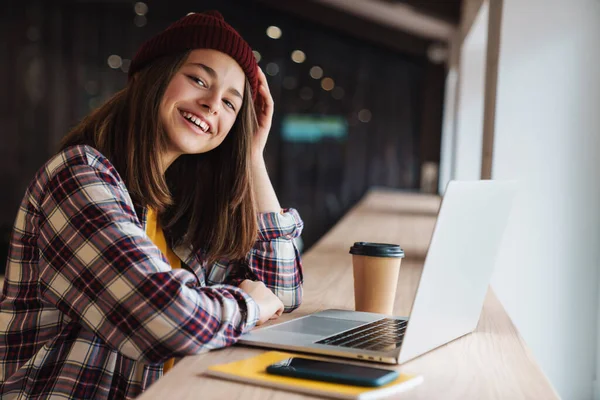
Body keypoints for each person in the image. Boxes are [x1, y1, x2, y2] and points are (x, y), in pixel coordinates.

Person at [0, 10, 303, 400]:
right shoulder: (79, 177)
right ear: (153, 75)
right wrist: (249, 306)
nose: (212, 104)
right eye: (198, 79)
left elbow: (281, 291)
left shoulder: (178, 199)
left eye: (231, 103)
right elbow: (164, 321)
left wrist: (252, 154)